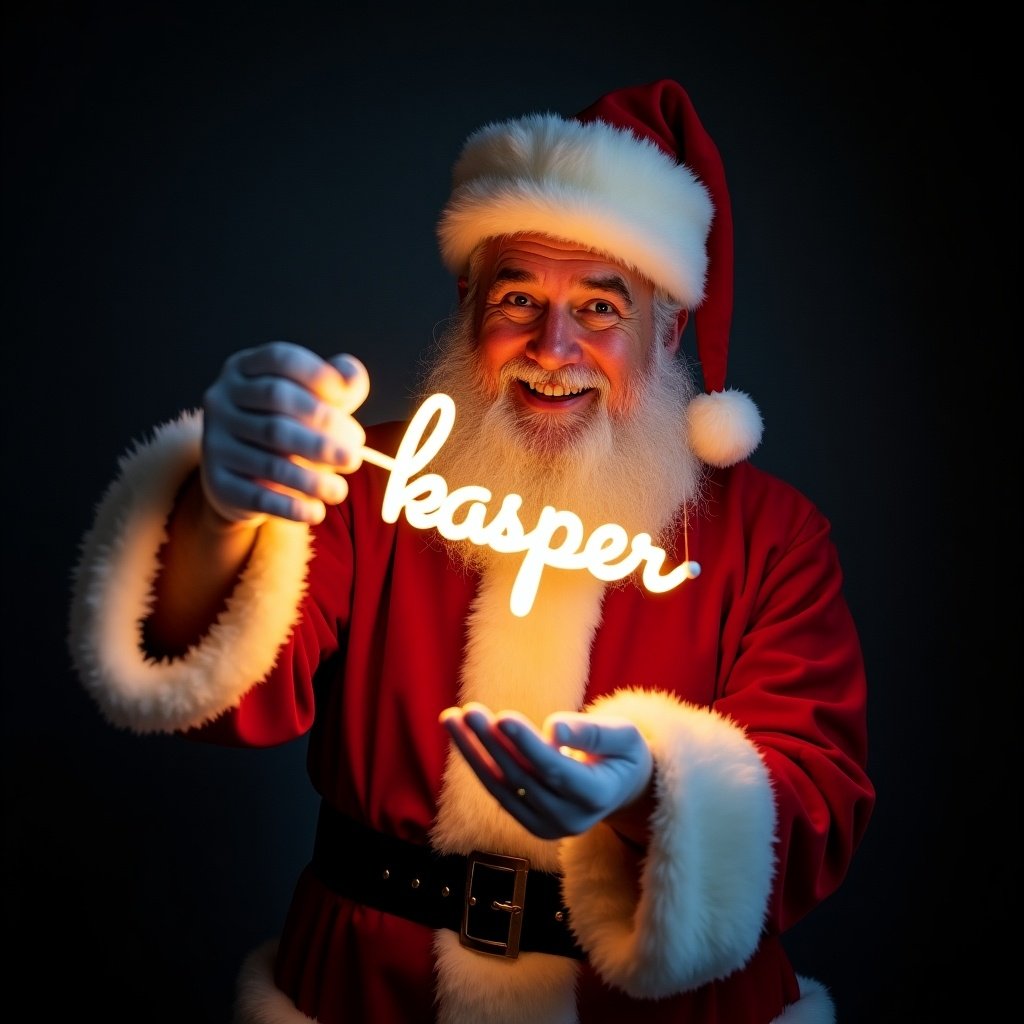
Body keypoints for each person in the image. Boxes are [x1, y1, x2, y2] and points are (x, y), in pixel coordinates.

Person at [68, 79, 875, 1024]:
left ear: (669, 326)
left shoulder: (771, 536)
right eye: (519, 296)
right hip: (374, 989)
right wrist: (223, 506)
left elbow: (817, 807)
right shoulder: (367, 476)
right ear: (469, 304)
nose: (554, 346)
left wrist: (649, 788)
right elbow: (219, 689)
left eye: (603, 309)